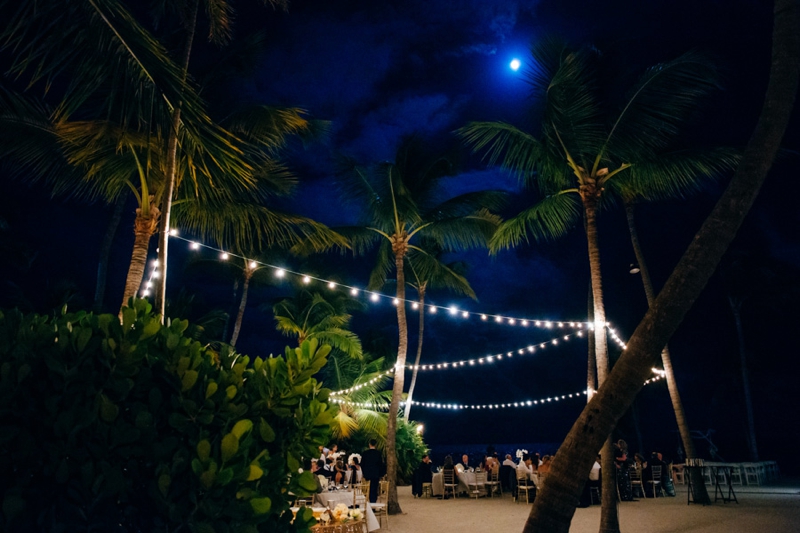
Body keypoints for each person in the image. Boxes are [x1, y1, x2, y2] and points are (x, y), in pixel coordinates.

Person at [361, 439, 384, 503]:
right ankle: (373, 502)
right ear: (375, 445)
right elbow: (380, 464)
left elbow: (362, 464)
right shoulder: (378, 453)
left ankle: (368, 502)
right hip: (375, 474)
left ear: (369, 444)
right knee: (374, 489)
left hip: (367, 474)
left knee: (367, 489)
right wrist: (381, 474)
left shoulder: (365, 453)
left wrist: (364, 472)